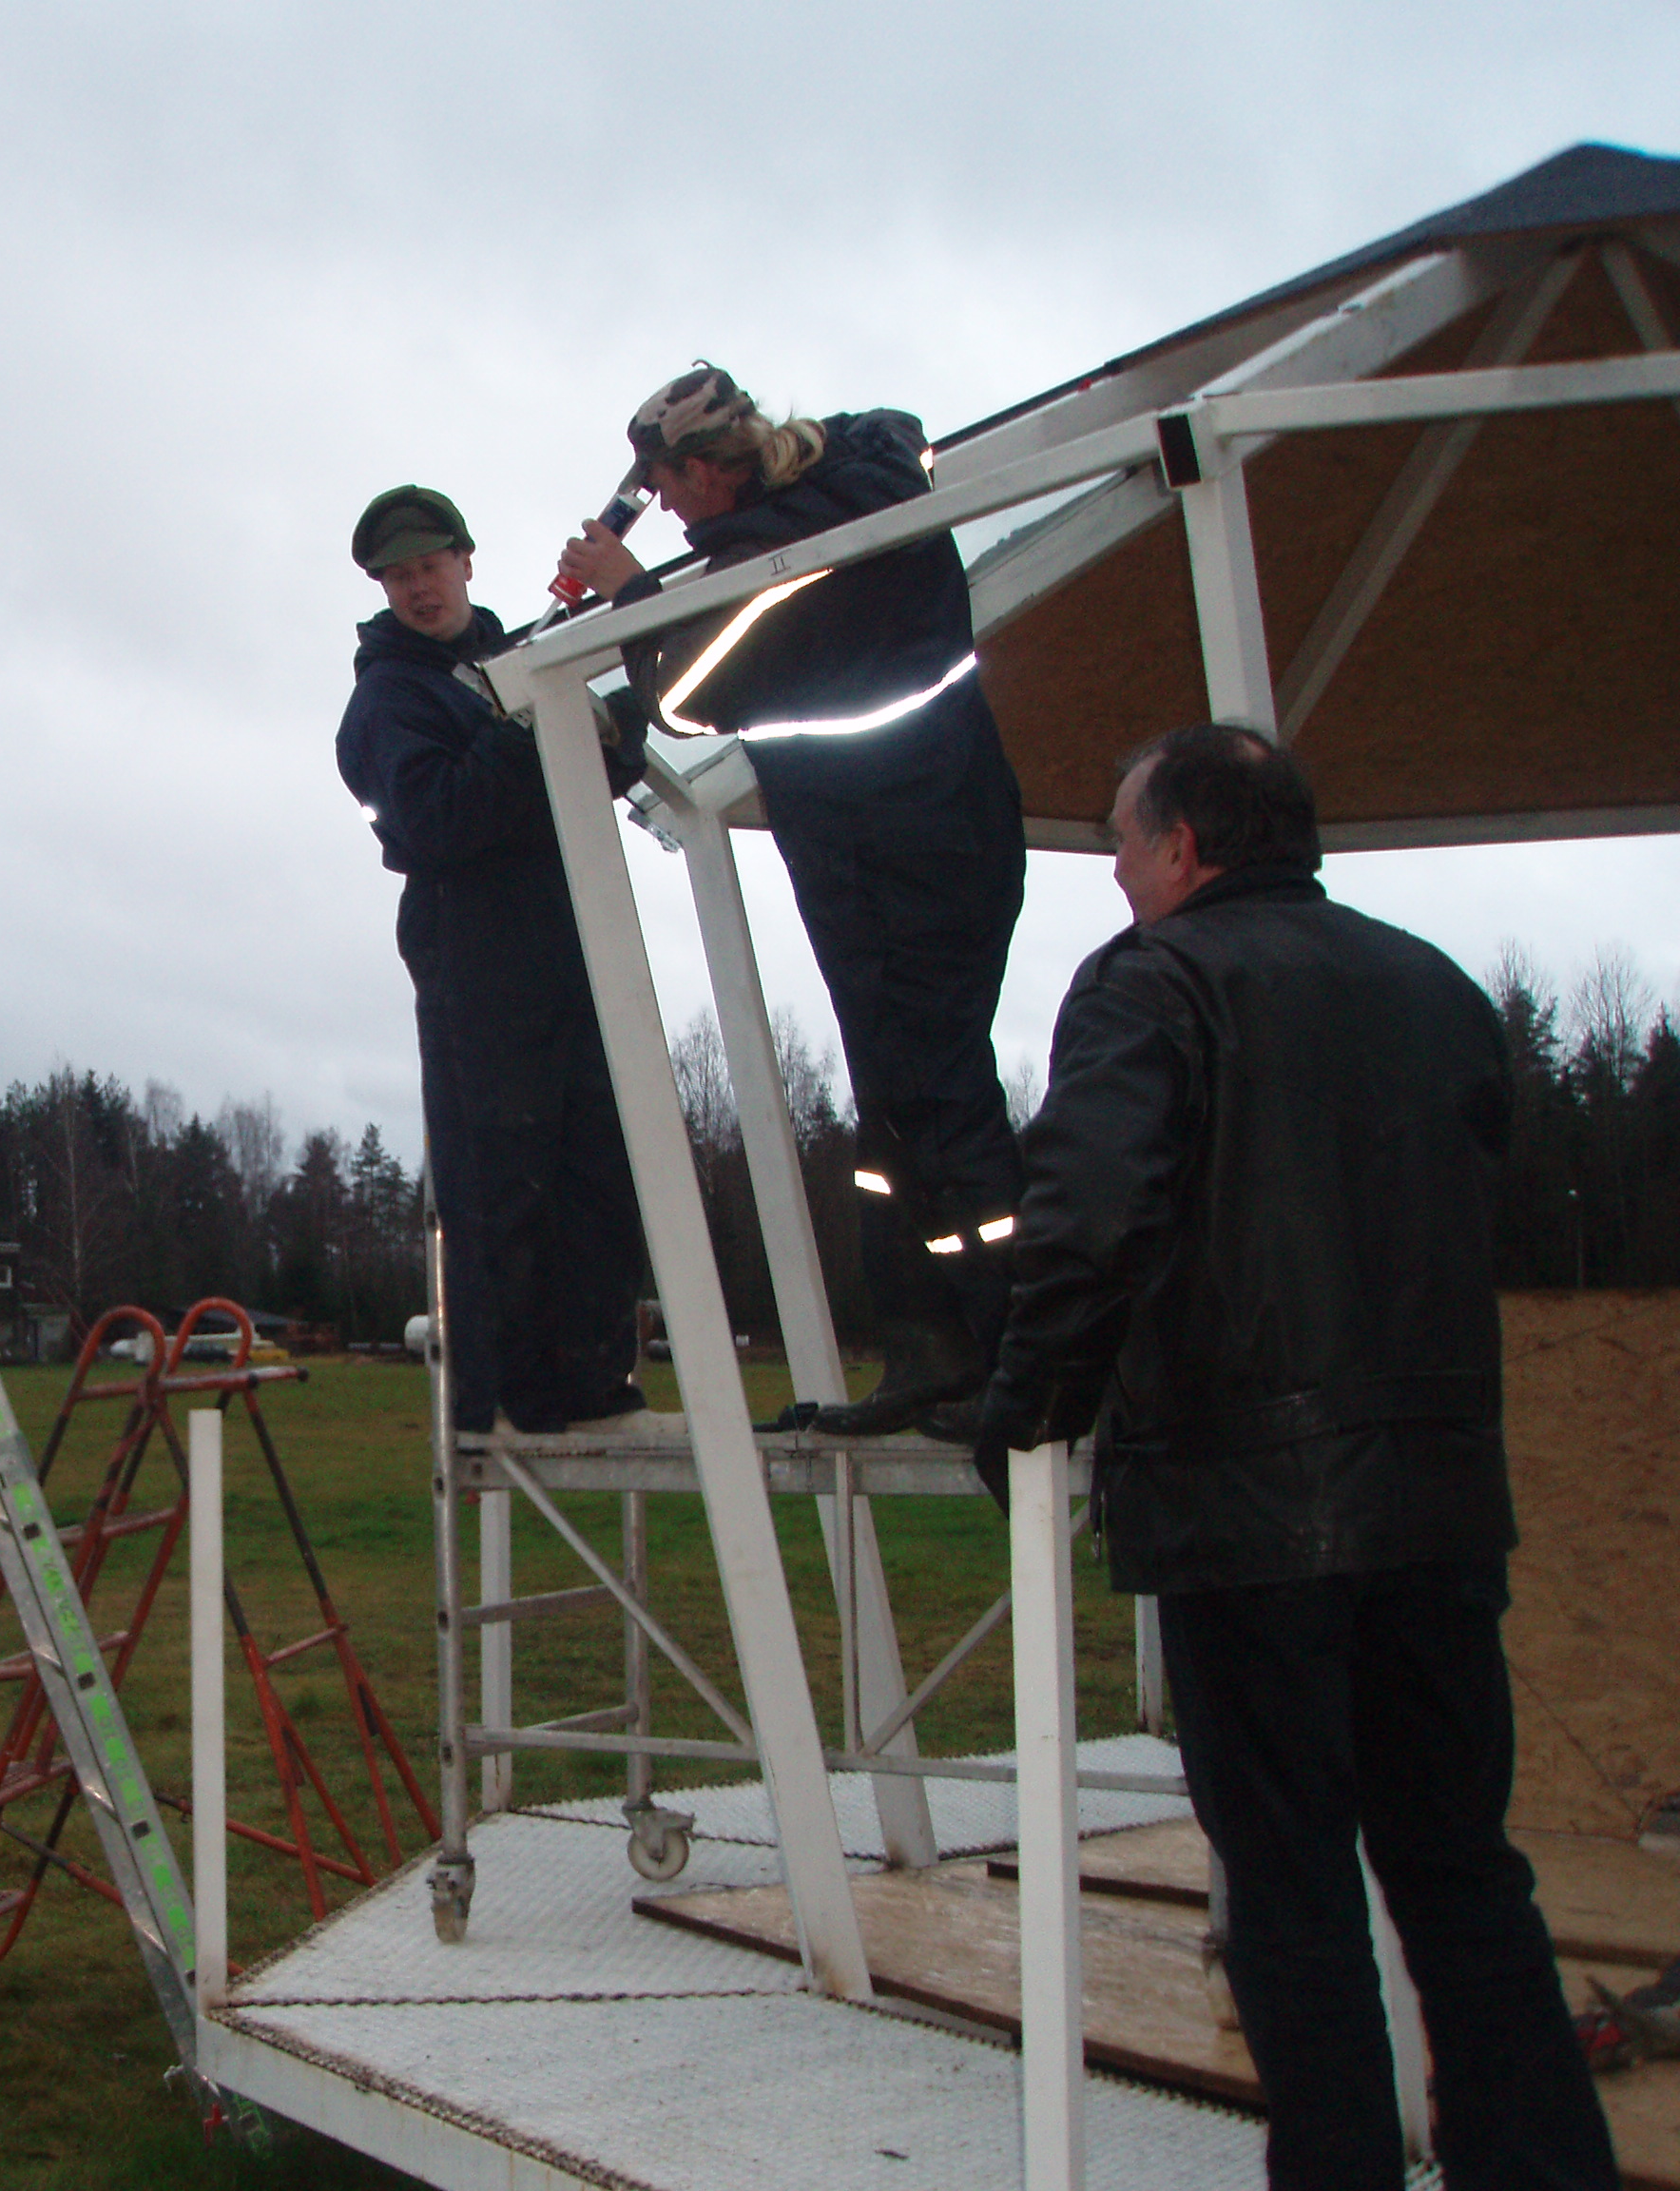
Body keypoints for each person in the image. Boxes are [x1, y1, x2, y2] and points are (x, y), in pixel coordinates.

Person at [974, 725, 1616, 2190]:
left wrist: (1029, 1409)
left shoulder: (1154, 983)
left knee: (1292, 1889)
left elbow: (1086, 1223)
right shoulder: (1436, 988)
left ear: (1188, 849)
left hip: (1245, 1514)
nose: (1119, 875)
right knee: (1463, 1874)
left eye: (1126, 846)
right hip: (1441, 1505)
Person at [557, 364, 1025, 1434]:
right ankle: (930, 1353)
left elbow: (685, 693)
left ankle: (1019, 1354)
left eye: (668, 484)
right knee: (899, 1105)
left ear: (710, 466)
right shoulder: (805, 512)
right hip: (861, 850)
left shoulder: (825, 519)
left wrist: (634, 592)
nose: (665, 506)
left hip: (923, 837)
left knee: (943, 1095)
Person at [338, 486, 646, 1435]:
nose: (418, 587)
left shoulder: (523, 661)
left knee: (597, 1160)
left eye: (430, 565)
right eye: (398, 575)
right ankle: (505, 1395)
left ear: (467, 560)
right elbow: (434, 820)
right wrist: (529, 728)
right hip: (477, 952)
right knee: (500, 1171)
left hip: (569, 934)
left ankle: (592, 1375)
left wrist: (609, 722)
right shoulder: (391, 697)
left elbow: (602, 769)